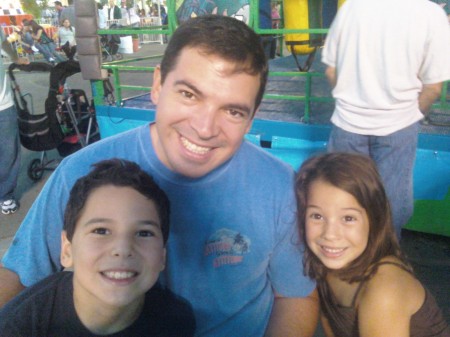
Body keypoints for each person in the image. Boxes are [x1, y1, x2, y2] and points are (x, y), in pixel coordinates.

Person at [0, 15, 318, 337]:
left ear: (251, 119)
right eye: (189, 95)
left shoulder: (277, 185)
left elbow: (295, 296)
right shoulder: (80, 173)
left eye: (233, 111)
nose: (205, 129)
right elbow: (19, 275)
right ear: (157, 85)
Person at [0, 159, 196, 336]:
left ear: (162, 256)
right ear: (67, 249)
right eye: (101, 231)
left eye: (144, 233)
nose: (122, 248)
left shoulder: (176, 321)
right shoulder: (18, 328)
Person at [322, 0, 450, 239]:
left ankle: (342, 264)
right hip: (399, 125)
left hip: (347, 123)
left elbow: (330, 70)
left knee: (341, 202)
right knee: (391, 208)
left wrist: (351, 100)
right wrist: (409, 115)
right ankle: (384, 263)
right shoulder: (431, 14)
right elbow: (433, 88)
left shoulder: (352, 7)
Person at [295, 152, 450, 336]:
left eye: (348, 218)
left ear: (374, 218)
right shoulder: (321, 263)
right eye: (317, 216)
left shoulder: (384, 290)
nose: (330, 234)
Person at [0, 29, 29, 215]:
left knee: (8, 151)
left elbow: (4, 44)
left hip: (3, 105)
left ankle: (5, 195)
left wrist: (16, 59)